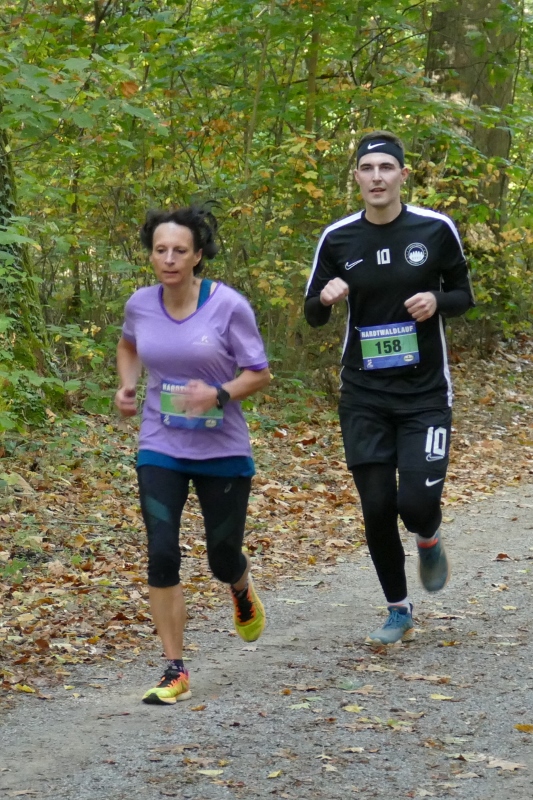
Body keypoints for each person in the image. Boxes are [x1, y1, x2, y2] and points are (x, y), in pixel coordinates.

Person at [304, 131, 474, 645]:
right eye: (367, 168)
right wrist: (326, 298)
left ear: (402, 174)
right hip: (364, 395)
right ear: (356, 177)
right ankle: (398, 609)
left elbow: (464, 295)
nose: (376, 177)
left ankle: (428, 536)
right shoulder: (338, 238)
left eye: (385, 167)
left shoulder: (435, 228)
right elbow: (312, 314)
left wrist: (437, 301)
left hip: (425, 395)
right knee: (377, 506)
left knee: (415, 505)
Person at [115, 205, 271, 703]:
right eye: (160, 250)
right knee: (161, 551)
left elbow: (259, 372)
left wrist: (218, 394)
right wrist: (127, 386)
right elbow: (128, 346)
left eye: (179, 250)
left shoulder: (228, 306)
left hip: (222, 451)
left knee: (222, 559)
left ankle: (240, 587)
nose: (169, 259)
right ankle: (174, 668)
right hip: (160, 445)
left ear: (198, 255)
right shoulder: (141, 304)